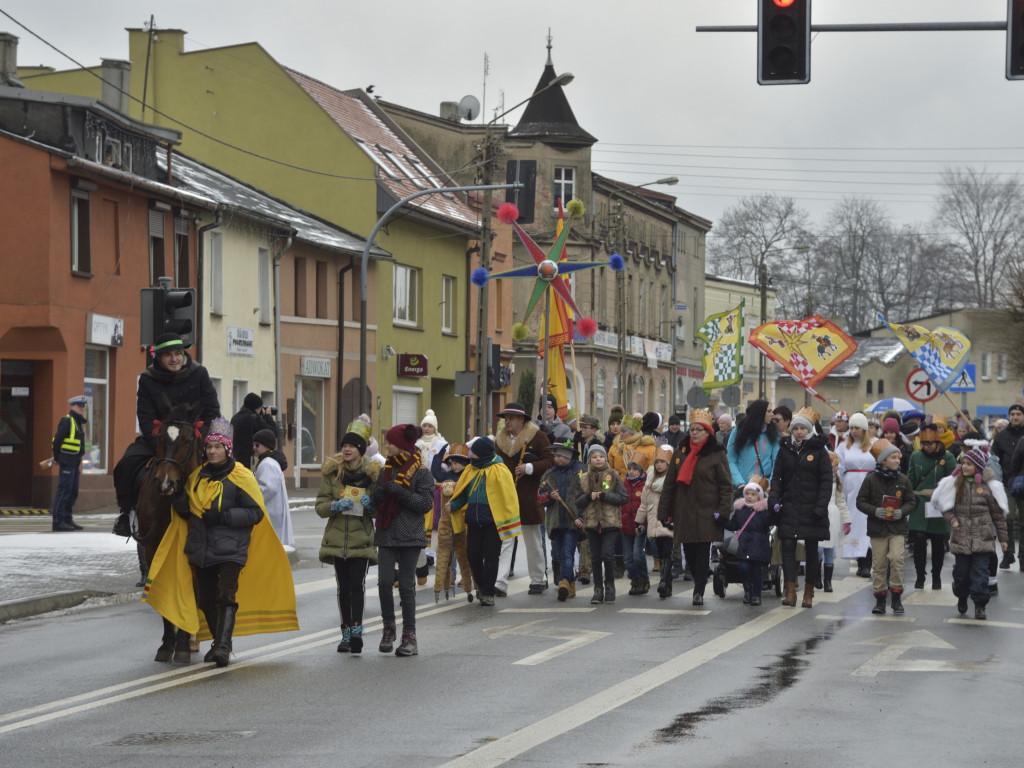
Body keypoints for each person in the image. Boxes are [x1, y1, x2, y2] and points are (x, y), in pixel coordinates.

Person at [170, 417, 296, 667]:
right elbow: (188, 512)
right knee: (205, 600)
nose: (212, 451)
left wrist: (224, 516)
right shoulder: (197, 477)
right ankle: (219, 642)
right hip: (202, 547)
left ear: (227, 450)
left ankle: (224, 647)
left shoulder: (242, 475)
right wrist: (177, 496)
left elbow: (255, 512)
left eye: (218, 447)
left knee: (226, 595)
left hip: (231, 548)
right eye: (209, 447)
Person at [113, 332, 220, 537]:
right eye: (168, 355)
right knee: (125, 463)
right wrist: (161, 444)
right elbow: (145, 416)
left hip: (195, 438)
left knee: (228, 466)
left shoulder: (200, 373)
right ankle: (127, 513)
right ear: (159, 358)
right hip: (162, 439)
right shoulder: (147, 379)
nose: (174, 359)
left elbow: (212, 411)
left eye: (178, 353)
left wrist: (203, 438)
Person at [657, 408, 732, 606]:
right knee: (688, 552)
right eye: (692, 429)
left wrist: (724, 511)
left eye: (699, 429)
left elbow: (726, 485)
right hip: (684, 510)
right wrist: (664, 511)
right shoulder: (681, 451)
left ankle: (699, 590)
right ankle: (698, 579)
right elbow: (669, 484)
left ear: (708, 432)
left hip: (708, 511)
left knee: (702, 551)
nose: (695, 433)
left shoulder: (716, 453)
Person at [316, 419, 379, 653]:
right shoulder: (332, 473)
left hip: (360, 540)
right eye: (344, 445)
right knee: (342, 587)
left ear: (361, 449)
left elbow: (379, 509)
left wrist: (370, 504)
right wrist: (334, 505)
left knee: (357, 586)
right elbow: (320, 506)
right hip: (337, 540)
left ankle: (357, 632)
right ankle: (345, 634)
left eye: (352, 446)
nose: (346, 449)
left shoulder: (372, 475)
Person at [371, 424, 434, 657]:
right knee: (384, 582)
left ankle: (410, 636)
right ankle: (389, 627)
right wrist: (377, 495)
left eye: (390, 442)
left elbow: (426, 504)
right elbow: (378, 500)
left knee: (407, 587)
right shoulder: (385, 469)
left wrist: (400, 492)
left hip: (410, 535)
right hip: (387, 534)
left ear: (402, 446)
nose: (386, 446)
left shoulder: (422, 473)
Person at [933, 445, 1009, 620]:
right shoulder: (955, 485)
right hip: (962, 539)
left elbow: (998, 515)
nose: (964, 466)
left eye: (969, 464)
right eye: (963, 463)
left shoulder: (988, 487)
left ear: (978, 466)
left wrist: (1004, 539)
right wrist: (953, 520)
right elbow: (944, 507)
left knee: (981, 574)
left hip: (983, 539)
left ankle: (980, 605)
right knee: (961, 574)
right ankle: (961, 595)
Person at [768, 407, 832, 608]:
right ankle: (790, 592)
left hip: (812, 509)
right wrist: (774, 499)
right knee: (788, 547)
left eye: (803, 428)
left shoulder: (819, 451)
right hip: (790, 507)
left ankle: (808, 593)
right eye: (796, 428)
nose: (799, 432)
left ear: (809, 430)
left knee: (812, 551)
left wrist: (820, 507)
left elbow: (826, 481)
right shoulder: (785, 449)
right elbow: (777, 477)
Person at [450, 436, 520, 607]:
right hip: (473, 521)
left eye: (473, 452)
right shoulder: (470, 470)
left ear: (482, 453)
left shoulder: (500, 470)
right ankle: (481, 585)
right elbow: (463, 493)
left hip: (493, 523)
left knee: (491, 557)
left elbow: (508, 497)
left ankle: (488, 592)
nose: (471, 455)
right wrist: (452, 505)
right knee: (473, 555)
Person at [494, 402, 554, 595]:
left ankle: (538, 578)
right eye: (505, 418)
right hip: (506, 496)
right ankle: (500, 582)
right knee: (506, 541)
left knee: (533, 540)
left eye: (511, 418)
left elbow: (550, 460)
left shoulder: (537, 436)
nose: (507, 422)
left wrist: (529, 468)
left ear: (522, 419)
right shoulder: (500, 440)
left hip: (529, 495)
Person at [856, 438, 916, 615]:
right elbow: (860, 502)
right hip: (878, 528)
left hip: (897, 528)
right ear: (883, 461)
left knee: (897, 559)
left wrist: (902, 512)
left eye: (898, 458)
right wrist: (875, 511)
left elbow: (911, 501)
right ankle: (880, 600)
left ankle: (896, 598)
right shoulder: (870, 479)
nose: (898, 460)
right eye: (893, 458)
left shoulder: (903, 480)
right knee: (879, 564)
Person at [574, 444, 628, 604]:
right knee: (595, 557)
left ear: (605, 458)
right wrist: (589, 496)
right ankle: (598, 590)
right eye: (595, 457)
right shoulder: (583, 477)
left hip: (610, 522)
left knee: (607, 554)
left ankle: (610, 587)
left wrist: (605, 496)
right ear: (589, 459)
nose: (598, 459)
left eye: (601, 456)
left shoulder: (612, 475)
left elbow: (623, 497)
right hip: (591, 522)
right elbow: (577, 500)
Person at [906, 423, 955, 590]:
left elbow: (952, 480)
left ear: (937, 443)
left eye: (929, 444)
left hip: (938, 503)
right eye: (923, 443)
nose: (926, 447)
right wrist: (908, 497)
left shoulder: (947, 458)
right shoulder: (915, 456)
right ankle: (920, 575)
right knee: (919, 538)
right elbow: (910, 478)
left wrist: (939, 492)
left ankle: (936, 576)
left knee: (937, 540)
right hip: (920, 503)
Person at [540, 440, 585, 601]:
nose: (557, 459)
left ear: (568, 456)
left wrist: (581, 517)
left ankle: (564, 581)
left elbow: (585, 497)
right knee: (559, 554)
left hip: (573, 522)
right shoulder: (549, 474)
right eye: (555, 456)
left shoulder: (580, 472)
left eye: (560, 456)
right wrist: (549, 497)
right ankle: (570, 585)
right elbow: (540, 497)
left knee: (567, 553)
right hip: (555, 522)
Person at [431, 442, 475, 603]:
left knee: (462, 553)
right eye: (452, 463)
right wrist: (439, 454)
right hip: (446, 520)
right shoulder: (447, 476)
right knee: (444, 554)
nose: (454, 466)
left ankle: (468, 581)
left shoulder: (467, 477)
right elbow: (435, 471)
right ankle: (443, 582)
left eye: (457, 463)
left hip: (462, 521)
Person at [716, 480, 772, 606]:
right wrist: (721, 519)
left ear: (759, 497)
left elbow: (771, 521)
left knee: (756, 570)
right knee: (743, 567)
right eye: (747, 494)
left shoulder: (763, 511)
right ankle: (748, 591)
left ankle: (756, 595)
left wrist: (776, 511)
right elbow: (733, 525)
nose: (749, 497)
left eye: (753, 494)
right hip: (744, 544)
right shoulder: (740, 510)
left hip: (758, 544)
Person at [837, 412, 877, 577]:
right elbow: (838, 468)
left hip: (870, 486)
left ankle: (867, 562)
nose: (853, 431)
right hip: (851, 488)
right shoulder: (843, 446)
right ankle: (860, 561)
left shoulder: (875, 444)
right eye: (851, 427)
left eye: (857, 428)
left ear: (864, 429)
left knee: (869, 522)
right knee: (854, 523)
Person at [637, 444, 674, 598]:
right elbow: (644, 503)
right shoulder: (650, 480)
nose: (659, 465)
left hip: (668, 521)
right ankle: (667, 582)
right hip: (653, 521)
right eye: (657, 461)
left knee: (666, 551)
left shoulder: (672, 480)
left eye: (662, 462)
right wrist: (639, 521)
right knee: (660, 550)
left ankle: (664, 582)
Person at [991, 403, 1024, 569]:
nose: (1015, 417)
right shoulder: (1001, 436)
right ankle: (1008, 553)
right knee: (1008, 518)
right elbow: (994, 459)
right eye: (1012, 414)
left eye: (1018, 414)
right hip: (1007, 483)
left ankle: (1023, 556)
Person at [416, 409, 446, 583]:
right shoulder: (417, 444)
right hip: (420, 487)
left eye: (429, 426)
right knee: (423, 521)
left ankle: (431, 553)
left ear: (435, 428)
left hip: (436, 487)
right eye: (424, 426)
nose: (426, 429)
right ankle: (423, 552)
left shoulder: (441, 444)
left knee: (435, 522)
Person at [51, 395, 88, 531]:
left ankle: (67, 519)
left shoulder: (78, 423)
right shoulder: (68, 421)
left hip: (74, 463)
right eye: (79, 406)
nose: (81, 409)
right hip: (66, 462)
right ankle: (58, 522)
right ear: (72, 406)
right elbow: (57, 441)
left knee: (72, 492)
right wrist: (57, 457)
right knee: (64, 492)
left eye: (83, 407)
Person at [726, 400, 781, 493]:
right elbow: (730, 459)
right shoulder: (739, 432)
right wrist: (740, 483)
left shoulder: (774, 433)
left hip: (765, 488)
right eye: (769, 411)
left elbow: (777, 461)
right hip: (742, 488)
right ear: (759, 413)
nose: (772, 415)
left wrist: (770, 483)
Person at [252, 428, 293, 546]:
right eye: (253, 444)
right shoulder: (268, 461)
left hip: (271, 511)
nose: (254, 447)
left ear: (266, 446)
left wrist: (253, 497)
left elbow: (268, 488)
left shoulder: (267, 464)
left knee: (270, 543)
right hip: (273, 509)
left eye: (257, 445)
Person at [819, 451, 851, 592]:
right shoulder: (817, 480)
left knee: (830, 549)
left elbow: (841, 502)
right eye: (834, 466)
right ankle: (816, 576)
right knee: (818, 548)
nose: (837, 468)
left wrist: (846, 520)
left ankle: (828, 581)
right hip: (819, 515)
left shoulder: (837, 481)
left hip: (833, 516)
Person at [621, 461, 649, 595]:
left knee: (638, 554)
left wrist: (644, 523)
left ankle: (644, 579)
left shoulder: (645, 485)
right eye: (629, 469)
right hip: (625, 525)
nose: (631, 472)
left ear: (641, 471)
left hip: (640, 525)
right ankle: (635, 580)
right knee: (627, 557)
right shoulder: (623, 484)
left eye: (635, 469)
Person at [609, 414, 658, 480]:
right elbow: (609, 471)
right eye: (620, 431)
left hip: (640, 487)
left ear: (633, 433)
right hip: (619, 487)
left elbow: (652, 471)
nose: (620, 434)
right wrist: (607, 487)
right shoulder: (615, 447)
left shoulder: (649, 448)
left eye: (623, 431)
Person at [229, 393, 266, 471]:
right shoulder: (253, 418)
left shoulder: (235, 418)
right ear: (255, 407)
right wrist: (267, 416)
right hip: (247, 460)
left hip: (234, 459)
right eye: (260, 407)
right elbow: (270, 432)